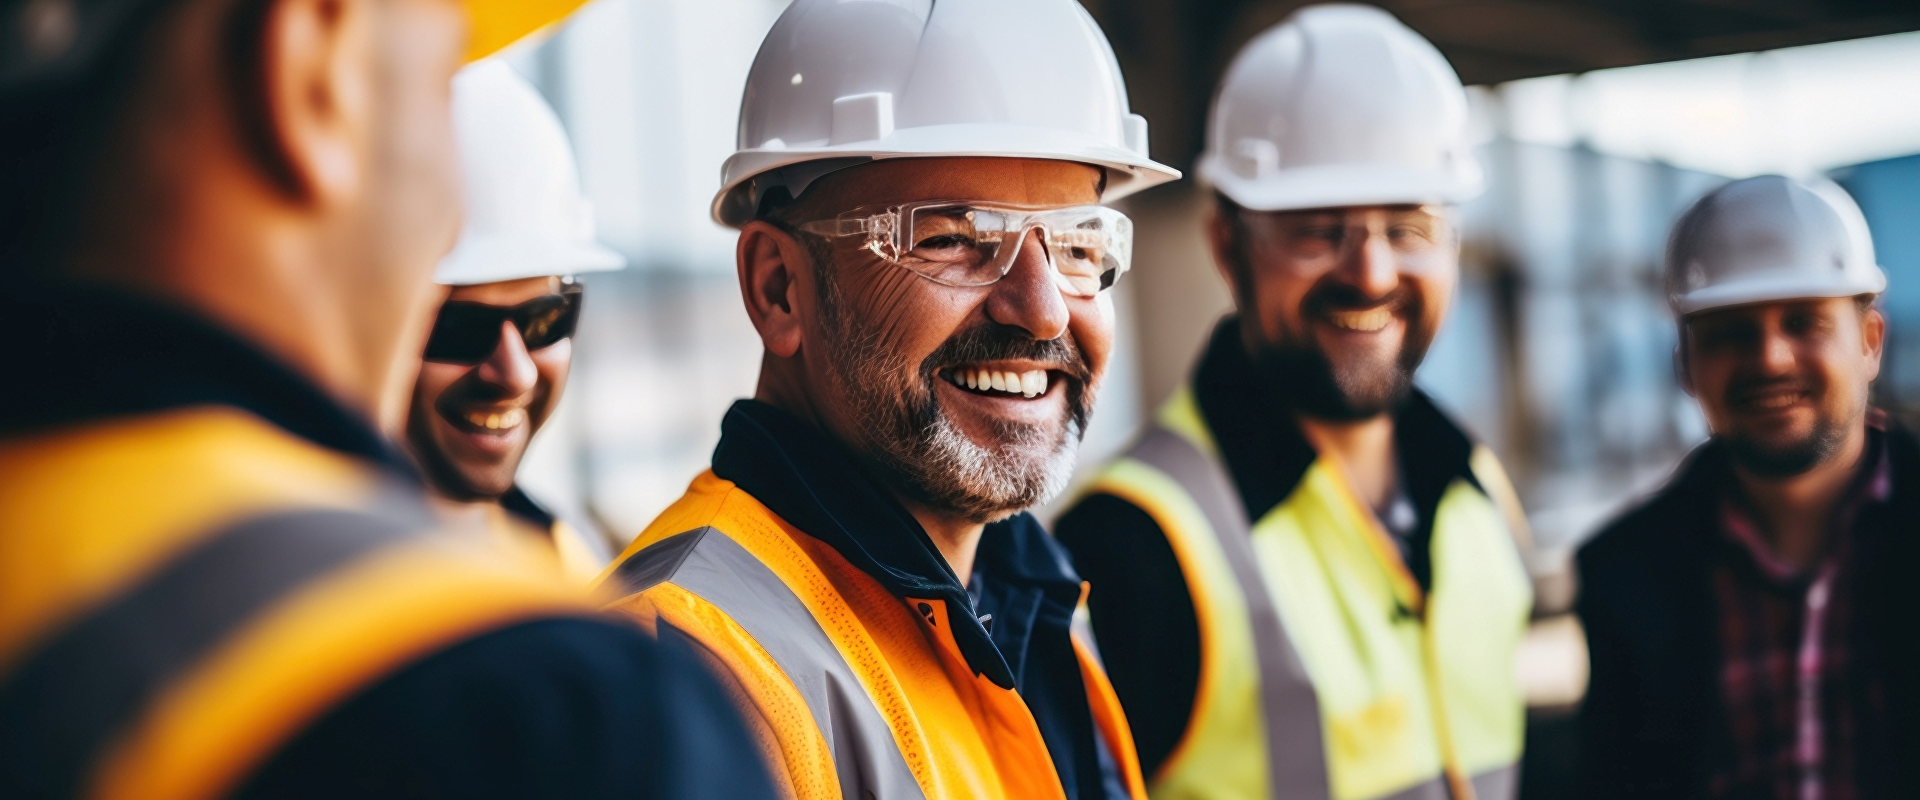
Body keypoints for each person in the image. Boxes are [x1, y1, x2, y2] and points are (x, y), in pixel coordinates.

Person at [0, 1, 773, 798]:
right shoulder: (544, 715)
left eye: (546, 317)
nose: (448, 213)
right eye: (440, 82)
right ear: (311, 64)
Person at [596, 0, 1179, 798]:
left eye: (1079, 244)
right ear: (778, 289)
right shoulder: (681, 676)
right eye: (952, 238)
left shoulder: (1027, 596)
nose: (1044, 309)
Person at [1055, 6, 1534, 799]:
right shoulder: (1129, 547)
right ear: (1225, 245)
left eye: (1409, 226)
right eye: (1319, 230)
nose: (1371, 273)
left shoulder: (1477, 488)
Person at [1576, 175, 1920, 797]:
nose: (1770, 359)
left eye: (1803, 322)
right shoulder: (1622, 579)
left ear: (1870, 343)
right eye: (1730, 331)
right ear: (1684, 362)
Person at [405, 59, 622, 582]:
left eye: (546, 320)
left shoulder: (572, 557)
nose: (515, 373)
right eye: (458, 329)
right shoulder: (300, 589)